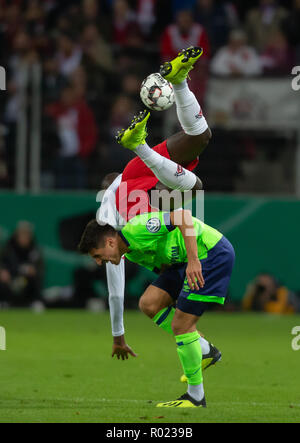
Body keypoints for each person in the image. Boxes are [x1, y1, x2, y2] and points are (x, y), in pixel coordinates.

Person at [98, 47, 217, 365]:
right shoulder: (118, 189)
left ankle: (139, 144)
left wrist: (118, 334)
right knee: (200, 136)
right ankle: (178, 82)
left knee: (195, 189)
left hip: (139, 196)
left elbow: (115, 289)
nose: (101, 260)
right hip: (138, 172)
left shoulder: (110, 229)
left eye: (99, 257)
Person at [78, 208, 235, 408]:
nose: (99, 262)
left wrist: (194, 261)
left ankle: (195, 397)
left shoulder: (137, 229)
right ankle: (203, 349)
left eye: (98, 256)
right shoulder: (132, 253)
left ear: (110, 242)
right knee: (149, 303)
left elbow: (183, 216)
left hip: (209, 253)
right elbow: (164, 269)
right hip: (182, 263)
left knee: (181, 325)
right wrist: (177, 294)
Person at [0, 221, 44, 308]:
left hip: (25, 282)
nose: (25, 237)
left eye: (27, 234)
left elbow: (40, 268)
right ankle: (3, 302)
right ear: (17, 235)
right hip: (9, 281)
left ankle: (35, 302)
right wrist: (2, 271)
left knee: (34, 279)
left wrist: (33, 270)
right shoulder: (7, 249)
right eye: (22, 234)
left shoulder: (35, 250)